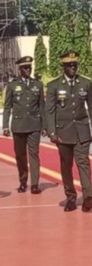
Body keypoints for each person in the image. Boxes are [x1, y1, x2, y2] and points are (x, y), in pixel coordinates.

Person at [45, 52, 92, 212]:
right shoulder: (54, 85)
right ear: (63, 67)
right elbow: (50, 111)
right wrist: (52, 132)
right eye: (69, 65)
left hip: (82, 130)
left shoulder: (85, 83)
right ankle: (70, 196)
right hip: (63, 133)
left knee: (83, 162)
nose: (72, 68)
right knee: (66, 165)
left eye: (74, 64)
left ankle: (88, 197)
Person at [2, 56, 47, 194]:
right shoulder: (12, 85)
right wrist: (5, 126)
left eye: (30, 67)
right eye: (25, 68)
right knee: (20, 156)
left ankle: (34, 184)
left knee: (34, 154)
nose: (28, 69)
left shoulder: (37, 85)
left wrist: (44, 126)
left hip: (34, 125)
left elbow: (41, 106)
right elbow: (8, 107)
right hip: (19, 125)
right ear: (20, 69)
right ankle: (23, 181)